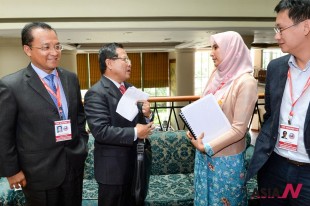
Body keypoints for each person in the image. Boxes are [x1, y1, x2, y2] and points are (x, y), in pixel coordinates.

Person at [0, 22, 88, 206]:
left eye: (57, 46)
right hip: (37, 173)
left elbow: (79, 117)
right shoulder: (11, 85)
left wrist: (81, 144)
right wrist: (12, 171)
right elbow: (4, 134)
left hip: (72, 165)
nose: (54, 52)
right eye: (46, 47)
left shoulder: (70, 78)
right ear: (28, 49)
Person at [246, 0, 310, 205]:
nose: (276, 35)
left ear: (306, 26)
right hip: (273, 166)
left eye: (281, 28)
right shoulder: (275, 67)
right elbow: (271, 115)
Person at [186, 31, 257, 205]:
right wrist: (194, 129)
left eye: (216, 47)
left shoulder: (246, 82)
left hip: (226, 162)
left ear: (232, 50)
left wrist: (207, 147)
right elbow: (205, 108)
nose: (211, 53)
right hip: (204, 157)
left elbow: (239, 129)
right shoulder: (217, 77)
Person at [84, 42, 154, 206]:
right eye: (125, 59)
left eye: (129, 59)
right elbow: (101, 131)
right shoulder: (96, 93)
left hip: (136, 165)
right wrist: (136, 133)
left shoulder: (131, 89)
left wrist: (147, 115)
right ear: (109, 63)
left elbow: (139, 123)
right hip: (113, 170)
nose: (129, 63)